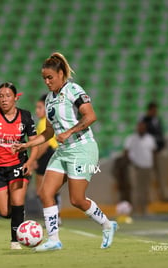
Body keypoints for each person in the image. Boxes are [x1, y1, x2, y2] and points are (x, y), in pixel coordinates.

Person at [13, 52, 117, 251]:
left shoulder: (73, 90)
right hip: (63, 151)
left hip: (82, 148)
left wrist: (69, 132)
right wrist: (27, 144)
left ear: (61, 74)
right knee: (45, 192)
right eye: (44, 78)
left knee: (77, 200)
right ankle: (54, 240)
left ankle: (107, 224)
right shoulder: (50, 100)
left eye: (50, 77)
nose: (47, 81)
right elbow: (50, 132)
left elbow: (90, 116)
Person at [0, 82, 38, 250]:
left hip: (18, 164)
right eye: (1, 96)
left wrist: (30, 162)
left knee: (17, 201)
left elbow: (35, 143)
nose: (4, 99)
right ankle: (18, 217)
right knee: (5, 212)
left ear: (15, 98)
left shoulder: (25, 116)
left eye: (7, 96)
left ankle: (15, 241)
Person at [34, 94, 62, 222]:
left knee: (43, 190)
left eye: (40, 107)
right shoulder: (49, 120)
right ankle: (55, 216)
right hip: (53, 153)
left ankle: (53, 216)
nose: (37, 110)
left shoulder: (44, 122)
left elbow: (44, 143)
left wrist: (33, 160)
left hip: (47, 155)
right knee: (48, 189)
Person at [124, 121, 156, 215]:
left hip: (147, 167)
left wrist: (153, 166)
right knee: (136, 189)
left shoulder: (150, 138)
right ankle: (134, 210)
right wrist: (132, 163)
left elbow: (153, 152)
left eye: (143, 127)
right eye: (140, 127)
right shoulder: (131, 139)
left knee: (146, 189)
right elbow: (126, 152)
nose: (141, 129)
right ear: (137, 128)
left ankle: (144, 209)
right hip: (136, 167)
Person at [140, 102, 166, 201]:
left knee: (162, 174)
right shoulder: (144, 120)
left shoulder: (158, 120)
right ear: (149, 110)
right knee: (149, 176)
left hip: (159, 151)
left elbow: (160, 134)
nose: (155, 112)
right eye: (153, 110)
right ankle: (150, 198)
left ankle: (163, 196)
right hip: (149, 153)